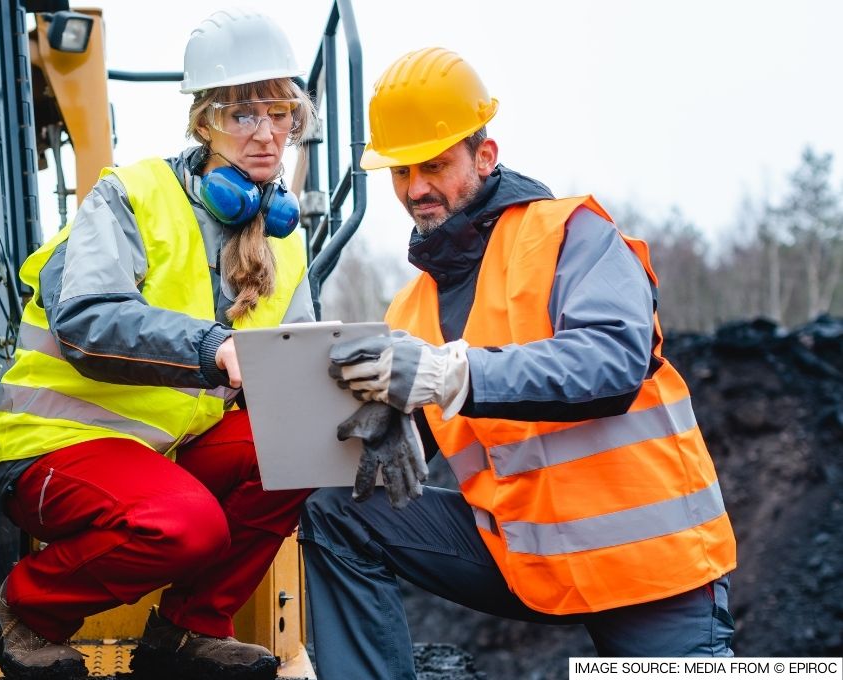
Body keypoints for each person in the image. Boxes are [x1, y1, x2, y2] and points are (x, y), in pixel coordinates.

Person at [298, 47, 738, 679]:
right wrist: (386, 425)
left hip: (650, 566)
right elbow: (426, 419)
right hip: (527, 558)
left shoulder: (571, 236)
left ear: (485, 155)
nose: (415, 188)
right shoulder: (410, 309)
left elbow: (611, 362)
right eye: (399, 171)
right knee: (338, 510)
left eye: (435, 165)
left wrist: (451, 375)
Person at [0, 9, 317, 680]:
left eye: (281, 113)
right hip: (52, 450)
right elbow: (85, 318)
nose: (266, 132)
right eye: (242, 114)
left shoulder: (285, 240)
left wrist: (370, 408)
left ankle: (189, 631)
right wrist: (212, 345)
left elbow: (301, 372)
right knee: (190, 525)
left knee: (299, 442)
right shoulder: (130, 196)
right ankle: (28, 610)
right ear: (204, 123)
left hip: (158, 457)